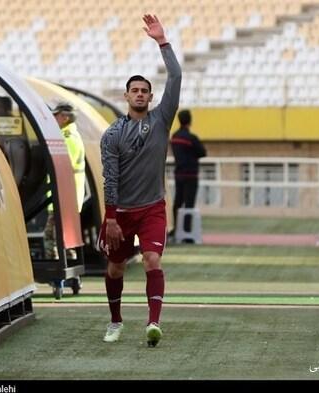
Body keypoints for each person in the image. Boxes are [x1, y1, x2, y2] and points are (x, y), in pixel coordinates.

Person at [97, 14, 181, 347]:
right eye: (135, 90)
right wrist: (111, 217)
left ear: (150, 96)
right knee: (115, 269)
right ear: (126, 96)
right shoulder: (112, 134)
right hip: (121, 213)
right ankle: (116, 321)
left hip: (152, 209)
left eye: (146, 90)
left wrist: (163, 42)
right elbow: (110, 177)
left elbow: (175, 74)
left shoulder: (162, 119)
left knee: (152, 260)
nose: (141, 94)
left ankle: (153, 323)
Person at [43, 101, 86, 260]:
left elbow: (60, 166)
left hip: (64, 196)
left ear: (65, 117)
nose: (53, 119)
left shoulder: (67, 139)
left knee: (52, 237)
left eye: (56, 115)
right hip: (66, 196)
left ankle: (57, 273)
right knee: (63, 238)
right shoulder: (70, 135)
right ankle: (69, 269)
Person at [170, 109, 207, 240]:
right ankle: (186, 232)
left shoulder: (174, 137)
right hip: (191, 175)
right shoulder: (192, 138)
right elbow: (203, 152)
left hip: (179, 174)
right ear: (190, 121)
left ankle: (176, 230)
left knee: (178, 202)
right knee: (189, 205)